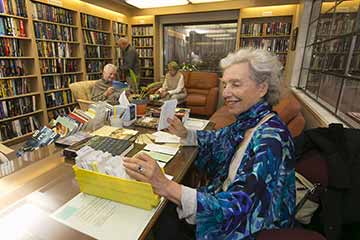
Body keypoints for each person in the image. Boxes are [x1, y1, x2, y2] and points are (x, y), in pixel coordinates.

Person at [123, 48, 295, 239]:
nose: (226, 93)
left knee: (161, 215)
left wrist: (164, 185)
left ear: (262, 88)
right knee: (162, 211)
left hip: (243, 229)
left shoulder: (271, 139)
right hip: (219, 200)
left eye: (236, 84)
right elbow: (216, 140)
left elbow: (236, 207)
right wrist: (185, 133)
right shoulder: (249, 121)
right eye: (225, 84)